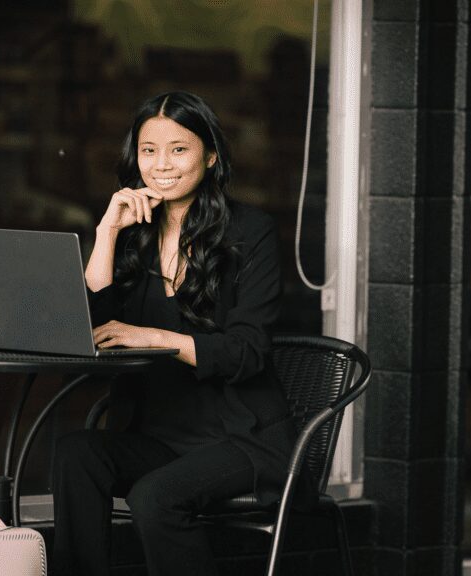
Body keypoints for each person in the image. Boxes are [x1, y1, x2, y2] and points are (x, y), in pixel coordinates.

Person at [51, 91, 305, 576]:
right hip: (158, 435)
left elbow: (246, 353)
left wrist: (151, 337)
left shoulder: (251, 231)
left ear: (210, 156)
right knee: (76, 453)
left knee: (155, 497)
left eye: (178, 149)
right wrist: (106, 232)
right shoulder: (133, 234)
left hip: (241, 439)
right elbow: (88, 331)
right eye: (149, 150)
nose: (161, 164)